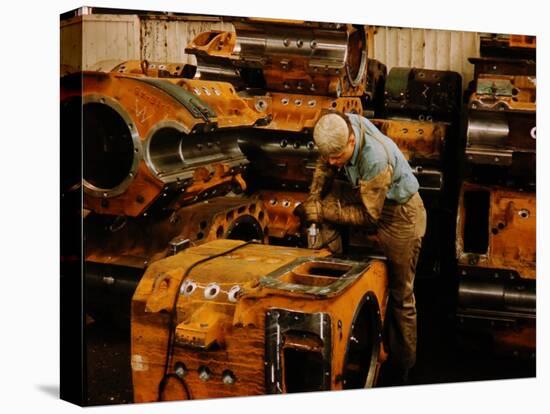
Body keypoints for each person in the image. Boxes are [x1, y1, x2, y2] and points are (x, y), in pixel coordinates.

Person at [298, 111, 427, 385]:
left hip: (400, 214)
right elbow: (324, 164)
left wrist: (321, 211)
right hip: (365, 194)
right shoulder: (337, 125)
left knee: (401, 292)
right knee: (326, 203)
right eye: (328, 155)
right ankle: (327, 285)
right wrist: (314, 198)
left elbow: (370, 217)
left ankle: (403, 368)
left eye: (337, 157)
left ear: (352, 140)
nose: (333, 162)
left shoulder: (375, 158)